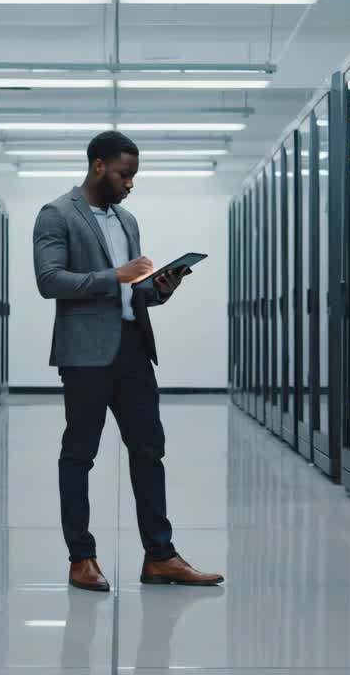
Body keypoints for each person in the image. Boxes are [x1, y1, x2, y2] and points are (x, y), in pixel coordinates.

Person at [32, 130, 225, 592]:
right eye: (124, 174)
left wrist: (158, 289)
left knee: (149, 449)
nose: (130, 184)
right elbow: (49, 280)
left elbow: (130, 291)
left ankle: (160, 556)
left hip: (133, 346)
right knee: (80, 454)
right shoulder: (57, 214)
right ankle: (81, 558)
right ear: (98, 166)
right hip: (85, 354)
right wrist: (113, 275)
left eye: (133, 176)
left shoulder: (127, 221)